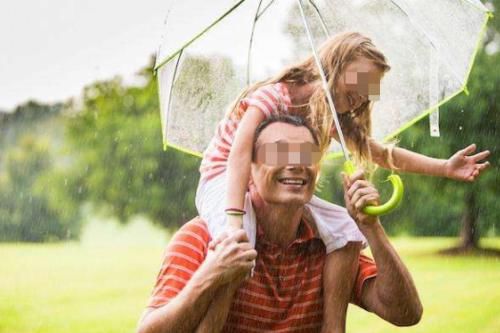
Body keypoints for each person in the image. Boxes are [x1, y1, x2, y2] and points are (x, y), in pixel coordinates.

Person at [196, 32, 490, 331]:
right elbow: (239, 153)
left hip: (277, 184)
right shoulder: (274, 96)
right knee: (234, 248)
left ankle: (332, 327)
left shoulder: (329, 115)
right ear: (335, 63)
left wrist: (444, 167)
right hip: (224, 177)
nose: (363, 93)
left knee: (346, 228)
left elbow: (383, 153)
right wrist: (234, 218)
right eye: (361, 79)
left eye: (370, 88)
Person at [137, 115, 423, 333]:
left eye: (307, 155)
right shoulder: (201, 238)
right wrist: (211, 275)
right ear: (247, 170)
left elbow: (405, 313)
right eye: (278, 153)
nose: (296, 164)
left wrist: (371, 228)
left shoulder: (331, 244)